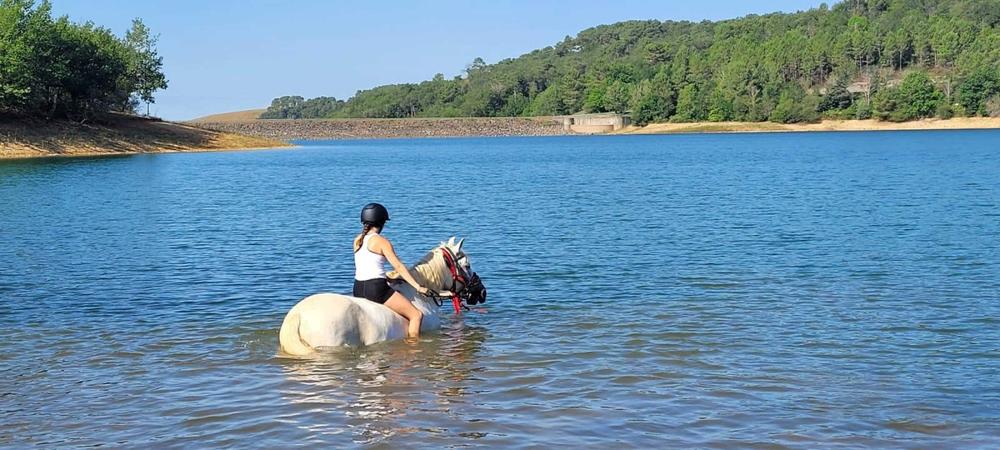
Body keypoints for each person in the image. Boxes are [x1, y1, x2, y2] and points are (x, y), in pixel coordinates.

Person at [352, 203, 433, 338]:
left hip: (358, 288)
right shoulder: (382, 241)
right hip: (376, 289)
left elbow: (366, 266)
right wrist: (418, 287)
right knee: (416, 315)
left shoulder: (357, 240)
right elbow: (399, 267)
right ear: (382, 222)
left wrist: (388, 278)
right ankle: (414, 347)